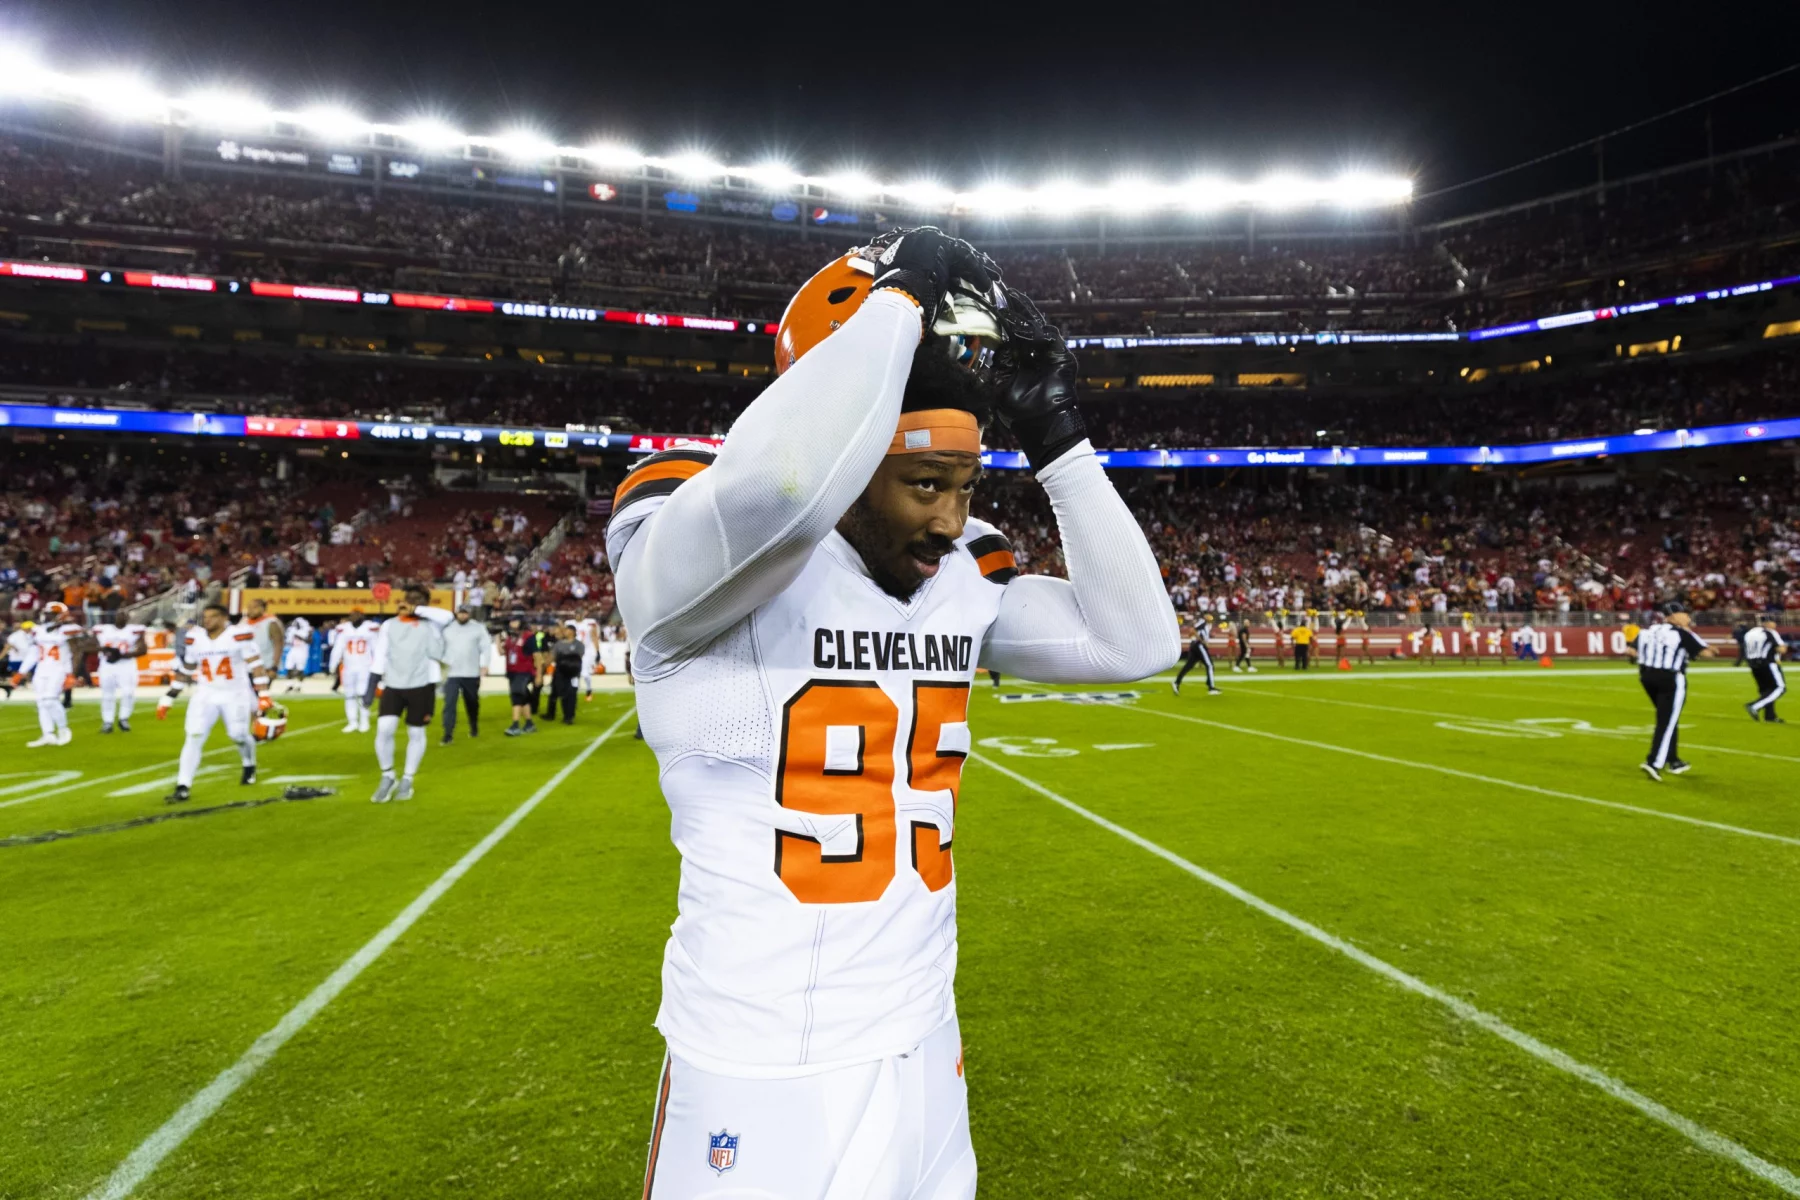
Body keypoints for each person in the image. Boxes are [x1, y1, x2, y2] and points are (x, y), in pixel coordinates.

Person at [614, 229, 1176, 1198]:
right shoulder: (695, 536)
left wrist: (1058, 438)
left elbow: (1136, 644)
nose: (952, 520)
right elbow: (787, 486)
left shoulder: (959, 577)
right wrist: (900, 297)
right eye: (925, 484)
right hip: (763, 1062)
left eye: (966, 486)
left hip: (925, 1037)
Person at [157, 602, 272, 803]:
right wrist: (169, 696)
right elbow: (187, 668)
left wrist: (263, 696)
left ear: (223, 618)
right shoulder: (196, 637)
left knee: (238, 735)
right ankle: (183, 786)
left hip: (235, 693)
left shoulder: (238, 635)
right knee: (194, 735)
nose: (206, 620)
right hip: (206, 692)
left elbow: (257, 666)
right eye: (205, 616)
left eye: (211, 617)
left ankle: (249, 762)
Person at [369, 586, 452, 803]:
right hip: (394, 683)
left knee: (416, 733)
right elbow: (380, 653)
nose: (410, 603)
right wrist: (372, 685)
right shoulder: (389, 625)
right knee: (384, 729)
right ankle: (387, 775)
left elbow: (448, 616)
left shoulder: (432, 622)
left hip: (422, 684)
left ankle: (407, 778)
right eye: (409, 599)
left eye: (417, 600)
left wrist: (418, 609)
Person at [1630, 609, 1715, 781]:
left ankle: (1673, 760)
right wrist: (1695, 638)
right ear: (1673, 616)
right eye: (1685, 614)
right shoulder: (1681, 634)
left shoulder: (1648, 630)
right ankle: (1654, 762)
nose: (1689, 618)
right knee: (1666, 721)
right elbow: (1707, 653)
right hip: (1670, 678)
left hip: (1647, 676)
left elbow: (1631, 651)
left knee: (1668, 718)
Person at [13, 602, 84, 747]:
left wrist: (71, 674)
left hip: (58, 669)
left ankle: (64, 730)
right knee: (41, 703)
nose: (46, 616)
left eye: (50, 614)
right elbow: (33, 653)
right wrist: (21, 672)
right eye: (46, 613)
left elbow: (76, 650)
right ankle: (48, 734)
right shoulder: (38, 630)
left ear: (60, 616)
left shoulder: (67, 630)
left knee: (50, 700)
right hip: (41, 669)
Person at [440, 606, 492, 743]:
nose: (463, 616)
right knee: (449, 703)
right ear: (456, 613)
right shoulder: (448, 629)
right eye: (461, 613)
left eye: (465, 613)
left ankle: (473, 725)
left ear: (469, 614)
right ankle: (448, 733)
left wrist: (485, 664)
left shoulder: (478, 628)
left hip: (471, 672)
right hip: (451, 673)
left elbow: (486, 647)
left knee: (472, 702)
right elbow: (440, 648)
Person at [91, 616, 149, 732]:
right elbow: (91, 645)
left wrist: (122, 655)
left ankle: (124, 718)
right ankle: (107, 721)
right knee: (107, 694)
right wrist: (105, 650)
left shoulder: (135, 630)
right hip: (107, 665)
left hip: (126, 665)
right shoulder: (102, 630)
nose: (121, 616)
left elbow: (143, 649)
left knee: (128, 692)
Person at [328, 608, 381, 733]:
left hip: (365, 666)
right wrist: (333, 664)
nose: (354, 616)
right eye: (352, 614)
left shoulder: (370, 629)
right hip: (348, 666)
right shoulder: (344, 629)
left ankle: (364, 721)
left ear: (362, 615)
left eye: (357, 614)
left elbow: (376, 649)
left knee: (363, 694)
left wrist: (378, 665)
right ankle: (352, 722)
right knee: (349, 695)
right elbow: (338, 648)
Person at [1742, 613, 1787, 723]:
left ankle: (1770, 716)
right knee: (1779, 688)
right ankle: (1755, 706)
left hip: (1753, 664)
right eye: (1773, 622)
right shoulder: (1769, 632)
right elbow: (1781, 649)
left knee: (1766, 690)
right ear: (1768, 623)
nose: (1775, 624)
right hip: (1768, 663)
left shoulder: (1749, 633)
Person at [502, 619, 539, 736]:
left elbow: (537, 656)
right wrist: (499, 641)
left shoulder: (528, 637)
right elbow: (502, 652)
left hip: (524, 671)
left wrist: (538, 675)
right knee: (524, 697)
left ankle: (515, 725)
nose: (511, 623)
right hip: (512, 671)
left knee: (516, 695)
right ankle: (529, 723)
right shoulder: (510, 637)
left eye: (515, 621)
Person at [1171, 614, 1221, 695]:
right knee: (1210, 665)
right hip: (1199, 646)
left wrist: (1210, 636)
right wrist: (1202, 641)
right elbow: (1193, 630)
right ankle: (1211, 687)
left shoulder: (1205, 625)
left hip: (1195, 646)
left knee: (1189, 665)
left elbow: (1200, 632)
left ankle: (1177, 682)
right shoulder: (1202, 623)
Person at [548, 623, 585, 724]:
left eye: (567, 630)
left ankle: (570, 716)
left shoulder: (578, 644)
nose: (565, 632)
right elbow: (553, 656)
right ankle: (565, 715)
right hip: (560, 672)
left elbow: (579, 656)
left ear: (572, 632)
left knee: (572, 694)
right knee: (563, 694)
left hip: (573, 672)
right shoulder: (559, 644)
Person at [243, 599, 284, 687]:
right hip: (246, 668)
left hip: (265, 667)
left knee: (259, 696)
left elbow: (279, 645)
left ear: (263, 608)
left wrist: (274, 667)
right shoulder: (244, 623)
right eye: (249, 607)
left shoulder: (271, 622)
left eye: (255, 607)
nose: (250, 610)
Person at [573, 610, 601, 701]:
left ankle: (589, 689)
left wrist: (597, 651)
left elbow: (594, 637)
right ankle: (573, 693)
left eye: (579, 614)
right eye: (577, 614)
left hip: (586, 651)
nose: (578, 616)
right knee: (574, 673)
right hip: (574, 651)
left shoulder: (589, 624)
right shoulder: (570, 624)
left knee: (585, 674)